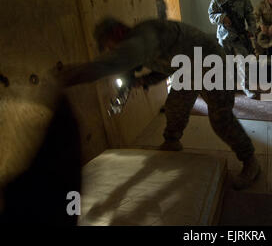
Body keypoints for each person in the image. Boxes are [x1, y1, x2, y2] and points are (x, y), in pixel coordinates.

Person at [56, 17, 261, 190]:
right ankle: (172, 142)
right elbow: (166, 66)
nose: (113, 51)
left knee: (220, 119)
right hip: (187, 70)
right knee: (175, 107)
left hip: (213, 64)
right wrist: (143, 80)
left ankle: (250, 161)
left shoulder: (144, 36)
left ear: (118, 33)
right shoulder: (144, 45)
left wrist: (66, 77)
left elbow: (110, 64)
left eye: (111, 46)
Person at [208, 0, 257, 99]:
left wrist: (252, 30)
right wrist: (222, 18)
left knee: (245, 62)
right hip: (223, 37)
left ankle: (246, 87)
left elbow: (250, 15)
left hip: (239, 36)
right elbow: (211, 15)